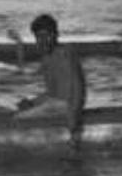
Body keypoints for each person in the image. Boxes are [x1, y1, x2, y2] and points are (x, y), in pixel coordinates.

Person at [14, 14, 86, 144]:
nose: (43, 40)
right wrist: (32, 102)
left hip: (66, 107)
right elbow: (53, 93)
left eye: (46, 35)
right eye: (38, 37)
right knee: (17, 109)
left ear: (56, 35)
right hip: (55, 105)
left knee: (18, 119)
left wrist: (74, 116)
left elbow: (78, 86)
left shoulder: (65, 53)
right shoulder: (47, 58)